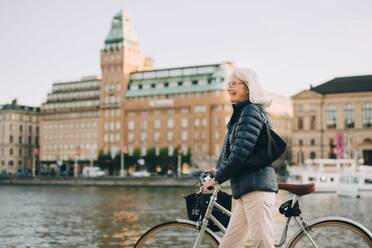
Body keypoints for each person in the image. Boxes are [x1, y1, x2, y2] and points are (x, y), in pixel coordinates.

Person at [203, 68, 278, 248]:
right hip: (245, 190)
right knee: (229, 245)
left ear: (248, 87)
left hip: (256, 189)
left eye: (234, 83)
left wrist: (218, 178)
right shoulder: (241, 114)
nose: (229, 88)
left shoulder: (250, 112)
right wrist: (218, 169)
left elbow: (240, 155)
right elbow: (231, 150)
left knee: (262, 244)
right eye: (228, 84)